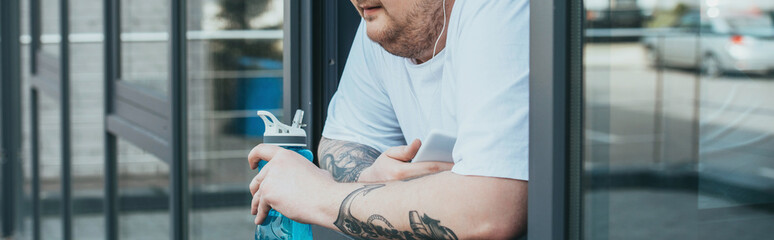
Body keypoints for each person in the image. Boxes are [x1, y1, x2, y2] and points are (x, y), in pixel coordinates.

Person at [247, 0, 529, 238]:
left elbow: (492, 208)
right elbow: (343, 139)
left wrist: (317, 196)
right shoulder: (385, 22)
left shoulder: (499, 8)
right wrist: (368, 176)